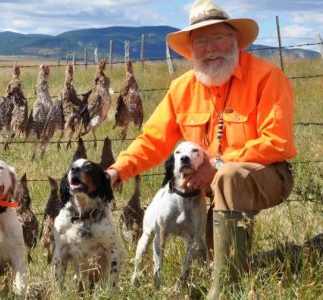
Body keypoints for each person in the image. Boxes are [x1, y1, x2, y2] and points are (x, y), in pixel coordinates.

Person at [106, 0, 296, 298]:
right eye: (201, 42)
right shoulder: (182, 88)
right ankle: (275, 261)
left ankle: (225, 292)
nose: (211, 49)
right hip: (206, 185)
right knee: (209, 261)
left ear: (234, 39)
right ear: (192, 50)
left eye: (218, 37)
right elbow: (153, 140)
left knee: (230, 176)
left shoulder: (267, 78)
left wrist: (218, 165)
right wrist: (118, 170)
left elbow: (278, 141)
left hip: (267, 174)